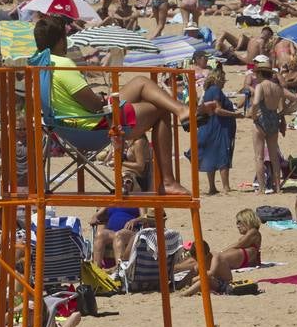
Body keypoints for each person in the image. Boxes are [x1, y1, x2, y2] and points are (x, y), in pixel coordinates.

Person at [32, 16, 189, 196]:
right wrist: (100, 100)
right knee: (160, 110)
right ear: (61, 41)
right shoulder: (62, 64)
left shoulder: (39, 64)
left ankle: (181, 109)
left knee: (140, 82)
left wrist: (101, 99)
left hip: (67, 127)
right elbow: (92, 105)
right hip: (93, 127)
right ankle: (168, 181)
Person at [195, 64, 238, 195]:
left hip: (209, 127)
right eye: (223, 79)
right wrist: (235, 114)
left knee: (210, 156)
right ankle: (226, 187)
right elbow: (218, 110)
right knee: (223, 156)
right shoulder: (216, 90)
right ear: (218, 78)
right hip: (218, 127)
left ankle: (212, 187)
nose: (224, 82)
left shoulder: (208, 91)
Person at [248, 57, 287, 194]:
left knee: (258, 156)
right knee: (274, 156)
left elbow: (255, 102)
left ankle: (262, 188)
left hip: (262, 119)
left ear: (259, 73)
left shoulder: (260, 86)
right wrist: (282, 122)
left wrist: (252, 115)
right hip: (274, 119)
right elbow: (282, 108)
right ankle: (277, 187)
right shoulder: (277, 87)